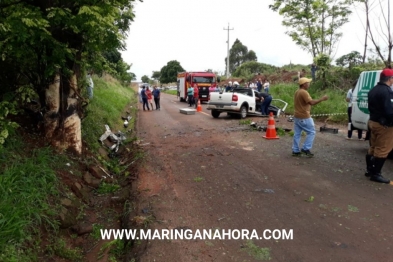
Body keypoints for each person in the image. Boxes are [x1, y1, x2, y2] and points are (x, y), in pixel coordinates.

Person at [364, 68, 393, 184]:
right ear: (390, 79)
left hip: (373, 121)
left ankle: (370, 170)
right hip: (384, 125)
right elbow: (390, 111)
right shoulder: (387, 91)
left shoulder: (373, 90)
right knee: (383, 149)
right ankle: (376, 174)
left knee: (373, 147)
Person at [292, 77, 328, 157]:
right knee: (311, 132)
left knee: (297, 134)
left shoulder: (297, 91)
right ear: (304, 84)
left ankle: (295, 150)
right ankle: (305, 148)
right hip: (304, 116)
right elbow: (311, 102)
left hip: (297, 115)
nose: (309, 84)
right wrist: (322, 99)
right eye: (308, 83)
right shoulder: (304, 92)